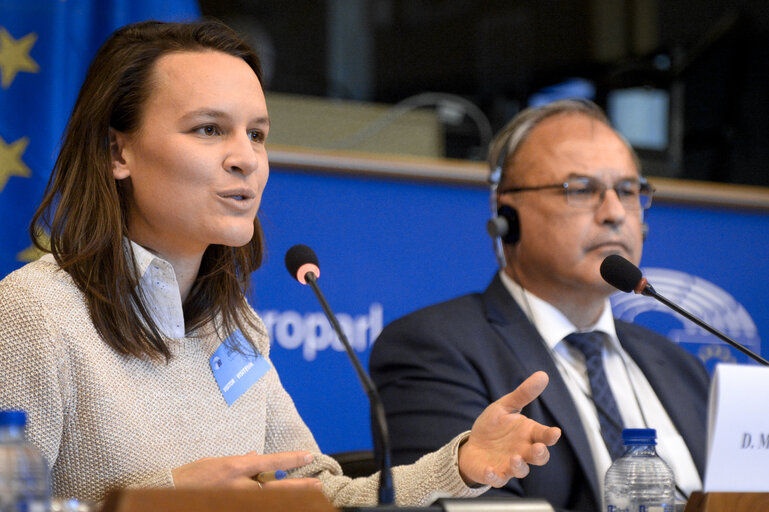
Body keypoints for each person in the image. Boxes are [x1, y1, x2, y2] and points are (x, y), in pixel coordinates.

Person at [0, 20, 561, 507]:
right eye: (208, 129)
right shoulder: (38, 313)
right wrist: (157, 502)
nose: (245, 158)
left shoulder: (233, 325)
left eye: (257, 134)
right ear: (117, 152)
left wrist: (459, 465)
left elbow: (317, 496)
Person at [370, 99, 710, 512]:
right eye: (581, 189)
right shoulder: (433, 349)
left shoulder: (680, 367)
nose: (615, 213)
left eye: (627, 190)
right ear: (507, 214)